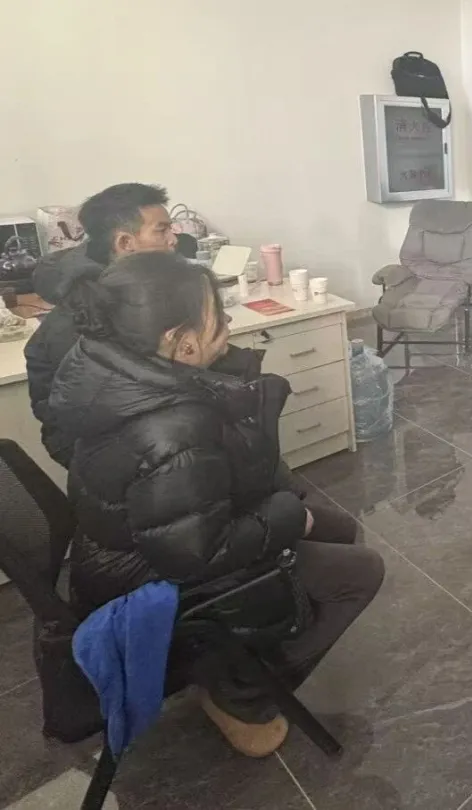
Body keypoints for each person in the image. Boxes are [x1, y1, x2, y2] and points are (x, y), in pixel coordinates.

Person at [48, 252, 385, 757]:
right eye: (218, 318)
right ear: (180, 341)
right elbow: (198, 554)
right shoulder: (171, 428)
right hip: (157, 581)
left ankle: (245, 652)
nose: (228, 324)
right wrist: (289, 516)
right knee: (361, 572)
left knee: (339, 527)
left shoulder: (113, 372)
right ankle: (241, 692)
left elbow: (194, 488)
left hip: (146, 541)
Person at [25, 183, 178, 468]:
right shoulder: (83, 314)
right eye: (162, 230)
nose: (173, 240)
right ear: (125, 243)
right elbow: (86, 411)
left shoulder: (138, 286)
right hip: (94, 445)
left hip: (147, 419)